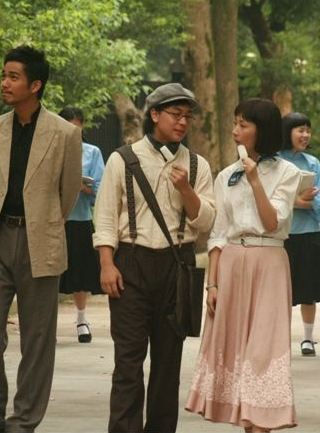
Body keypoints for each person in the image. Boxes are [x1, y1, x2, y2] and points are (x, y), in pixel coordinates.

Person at [93, 83, 215, 433]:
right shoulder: (123, 159)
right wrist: (107, 264)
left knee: (167, 365)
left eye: (187, 116)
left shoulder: (197, 165)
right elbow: (105, 217)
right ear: (155, 115)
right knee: (127, 363)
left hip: (178, 266)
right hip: (130, 263)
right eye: (175, 115)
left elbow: (207, 221)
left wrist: (186, 189)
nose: (182, 122)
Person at [0, 46, 82, 433]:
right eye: (3, 75)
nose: (4, 82)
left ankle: (23, 422)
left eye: (13, 76)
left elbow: (68, 193)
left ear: (35, 85)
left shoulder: (65, 134)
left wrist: (43, 222)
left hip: (41, 241)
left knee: (37, 339)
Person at [186, 98, 300, 432]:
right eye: (235, 123)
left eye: (243, 124)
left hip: (270, 263)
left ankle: (261, 422)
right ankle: (249, 422)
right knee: (234, 347)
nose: (235, 130)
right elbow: (219, 233)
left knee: (264, 348)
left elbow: (271, 222)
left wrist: (255, 181)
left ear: (262, 130)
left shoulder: (288, 172)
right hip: (232, 264)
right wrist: (212, 284)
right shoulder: (226, 175)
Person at [278, 112, 320, 357]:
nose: (305, 135)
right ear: (287, 132)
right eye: (300, 130)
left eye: (308, 131)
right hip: (280, 236)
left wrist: (301, 202)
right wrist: (298, 200)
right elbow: (269, 197)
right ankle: (279, 338)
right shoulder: (273, 161)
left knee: (308, 291)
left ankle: (308, 338)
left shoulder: (312, 163)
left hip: (308, 233)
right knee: (279, 291)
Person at [57, 106, 105, 343]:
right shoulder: (50, 150)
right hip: (53, 221)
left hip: (80, 219)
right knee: (50, 274)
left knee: (81, 274)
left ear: (82, 126)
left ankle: (81, 319)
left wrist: (80, 185)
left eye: (75, 127)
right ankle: (46, 324)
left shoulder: (92, 152)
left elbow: (100, 190)